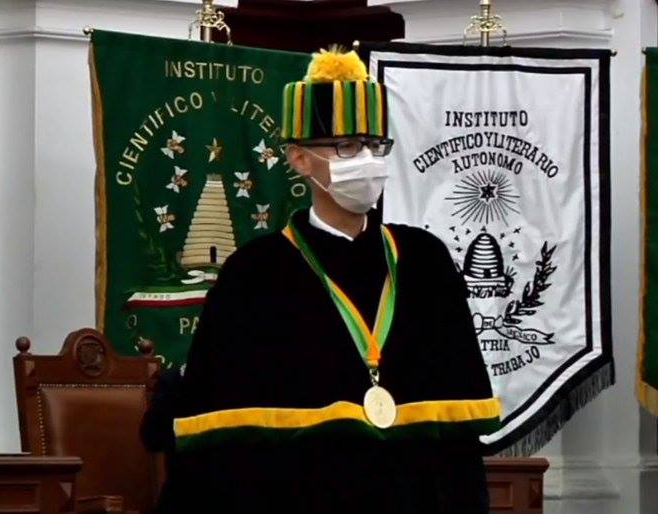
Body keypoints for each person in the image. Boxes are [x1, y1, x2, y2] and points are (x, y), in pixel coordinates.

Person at [142, 48, 501, 514]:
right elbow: (222, 442)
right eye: (346, 146)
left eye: (374, 144)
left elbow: (459, 434)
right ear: (299, 158)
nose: (366, 159)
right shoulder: (255, 273)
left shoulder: (423, 261)